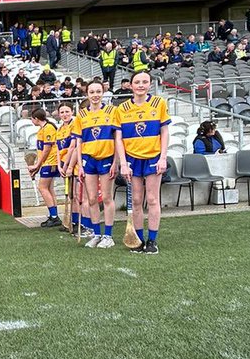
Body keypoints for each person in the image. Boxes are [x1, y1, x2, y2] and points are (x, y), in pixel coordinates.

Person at [114, 71, 171, 254]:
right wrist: (123, 162)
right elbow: (119, 138)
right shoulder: (121, 109)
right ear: (130, 85)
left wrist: (163, 157)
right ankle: (137, 240)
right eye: (137, 82)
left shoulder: (158, 103)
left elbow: (165, 132)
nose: (141, 85)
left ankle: (152, 240)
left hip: (153, 157)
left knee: (153, 199)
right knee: (137, 201)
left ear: (150, 84)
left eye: (144, 81)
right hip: (132, 159)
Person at [65, 80, 117, 248]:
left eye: (98, 91)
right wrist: (79, 165)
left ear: (103, 93)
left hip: (107, 158)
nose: (95, 95)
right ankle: (96, 234)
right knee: (92, 199)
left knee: (107, 198)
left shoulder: (112, 111)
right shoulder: (81, 115)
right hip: (89, 160)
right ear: (87, 94)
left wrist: (115, 162)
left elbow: (118, 139)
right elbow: (78, 142)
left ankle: (108, 236)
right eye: (92, 92)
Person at [28, 108, 62, 227]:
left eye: (32, 118)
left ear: (36, 118)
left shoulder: (48, 128)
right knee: (49, 188)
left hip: (50, 162)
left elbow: (47, 149)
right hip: (47, 162)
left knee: (42, 187)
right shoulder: (42, 129)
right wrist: (37, 166)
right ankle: (53, 215)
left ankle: (54, 216)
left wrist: (38, 165)